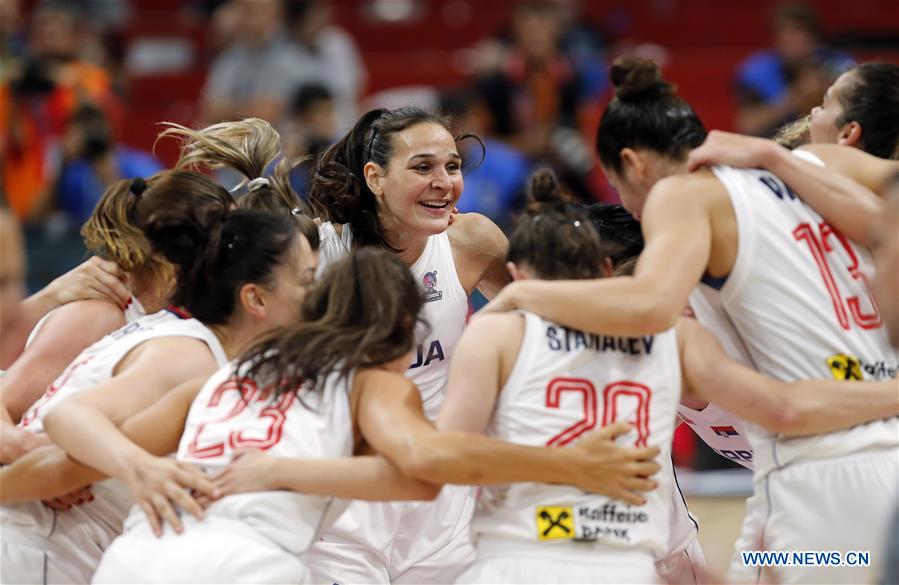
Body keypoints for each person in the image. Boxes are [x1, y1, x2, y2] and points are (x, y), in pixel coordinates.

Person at [1, 248, 661, 583]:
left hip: (131, 561)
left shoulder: (226, 373)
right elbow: (430, 461)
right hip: (243, 565)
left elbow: (61, 463)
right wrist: (571, 462)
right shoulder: (370, 380)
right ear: (403, 327)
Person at [482, 56, 898, 584]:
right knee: (759, 568)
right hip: (866, 456)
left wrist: (525, 300)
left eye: (620, 190)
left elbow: (650, 306)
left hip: (823, 470)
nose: (633, 211)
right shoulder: (819, 166)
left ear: (632, 165)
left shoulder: (680, 200)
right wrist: (776, 155)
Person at [0, 169, 318, 584]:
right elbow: (67, 421)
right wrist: (138, 468)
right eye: (307, 282)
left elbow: (65, 461)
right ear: (253, 294)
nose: (318, 300)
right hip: (39, 548)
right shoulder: (182, 350)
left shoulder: (181, 335)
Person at [303, 106, 511, 582]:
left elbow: (540, 316)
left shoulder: (472, 240)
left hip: (442, 502)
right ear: (375, 177)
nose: (444, 181)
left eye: (452, 167)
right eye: (422, 167)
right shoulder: (317, 254)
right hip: (343, 501)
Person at [735, 2, 853, 138]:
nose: (793, 42)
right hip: (776, 145)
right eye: (786, 33)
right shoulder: (756, 71)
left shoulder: (839, 66)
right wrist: (795, 98)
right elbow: (747, 125)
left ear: (814, 37)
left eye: (799, 33)